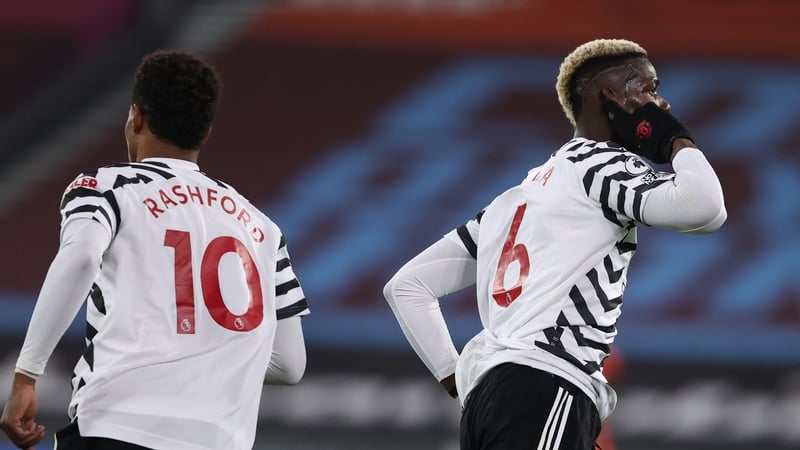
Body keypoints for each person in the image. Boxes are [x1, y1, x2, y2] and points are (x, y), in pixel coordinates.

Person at [384, 38, 726, 449]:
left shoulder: (512, 200)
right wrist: (673, 138)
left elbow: (407, 287)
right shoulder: (601, 164)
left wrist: (459, 383)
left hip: (495, 397)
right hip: (547, 384)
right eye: (648, 89)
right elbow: (706, 209)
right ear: (610, 96)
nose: (661, 103)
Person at [0, 50, 309, 450]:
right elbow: (290, 364)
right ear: (206, 133)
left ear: (137, 117)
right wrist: (203, 354)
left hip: (116, 427)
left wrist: (27, 374)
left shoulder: (107, 187)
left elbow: (80, 258)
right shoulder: (263, 228)